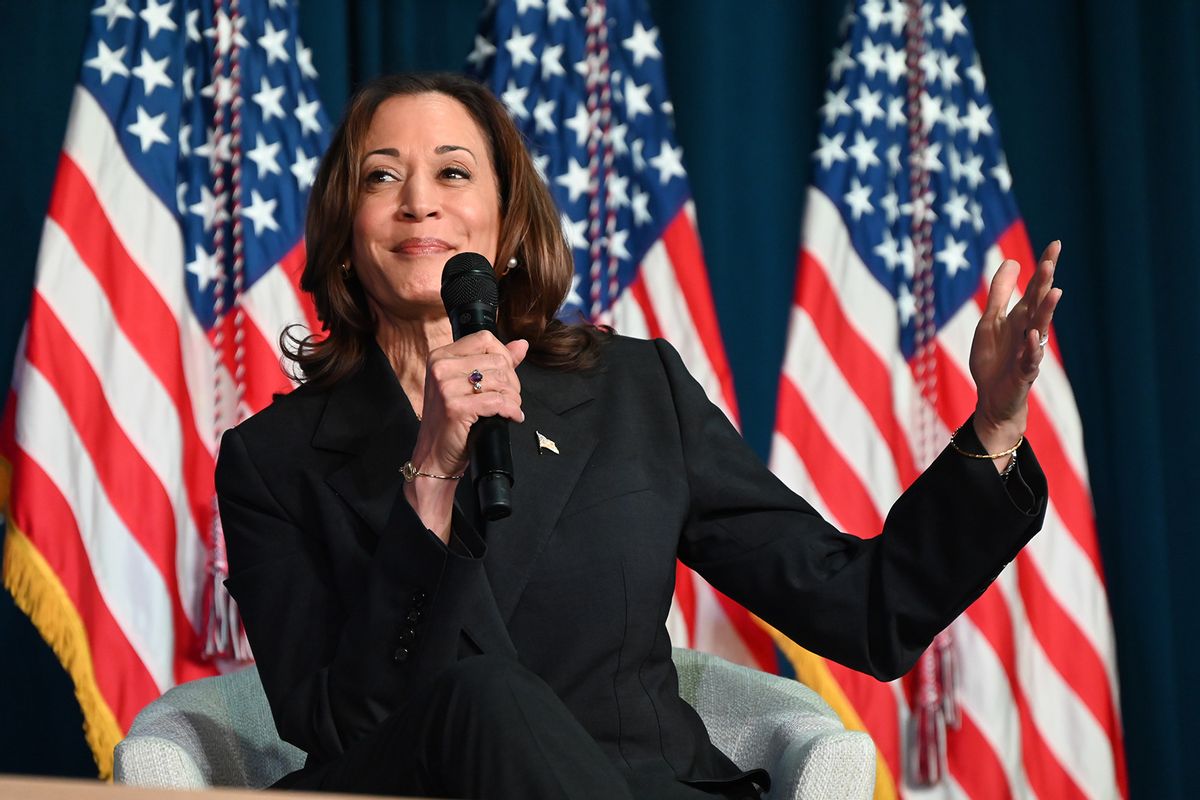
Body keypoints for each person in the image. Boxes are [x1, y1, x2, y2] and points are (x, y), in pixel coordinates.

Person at [216, 72, 1058, 800]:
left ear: (506, 225)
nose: (419, 200)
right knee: (484, 696)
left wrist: (994, 426)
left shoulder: (631, 391)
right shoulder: (273, 461)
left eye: (453, 172)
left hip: (635, 785)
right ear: (343, 229)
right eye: (381, 176)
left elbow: (862, 608)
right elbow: (332, 723)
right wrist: (432, 474)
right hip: (411, 789)